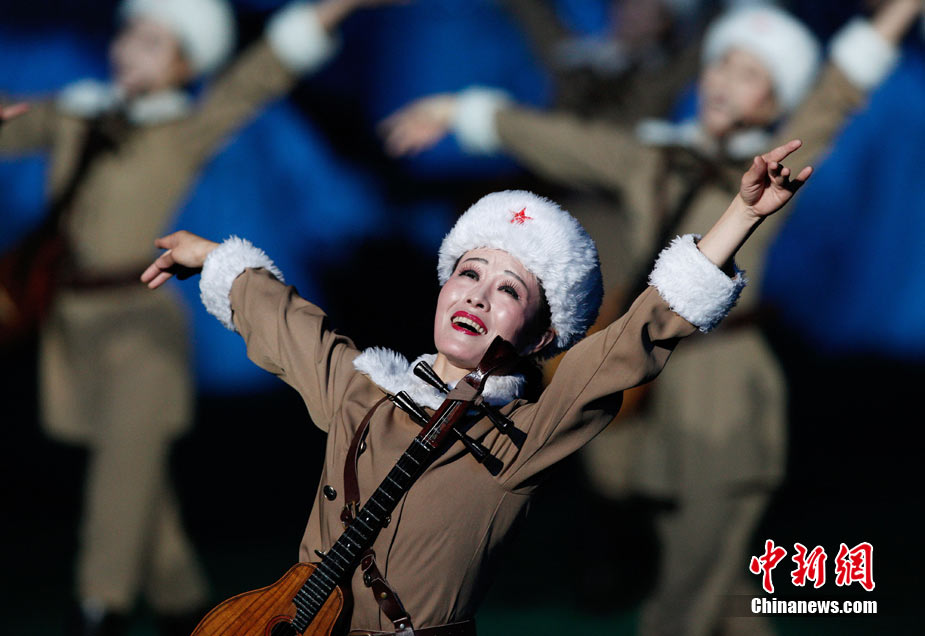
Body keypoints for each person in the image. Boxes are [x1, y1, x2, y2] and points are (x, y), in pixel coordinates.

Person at [378, 2, 922, 634]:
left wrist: (900, 11)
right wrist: (462, 112)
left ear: (777, 100)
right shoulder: (654, 159)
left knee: (685, 598)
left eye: (750, 73)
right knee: (717, 587)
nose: (724, 80)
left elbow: (838, 91)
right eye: (722, 62)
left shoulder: (770, 171)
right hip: (652, 385)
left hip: (723, 395)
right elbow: (569, 143)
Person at [141, 138, 810, 635]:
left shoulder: (521, 440)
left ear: (542, 335)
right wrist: (216, 261)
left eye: (509, 289)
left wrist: (738, 222)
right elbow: (288, 326)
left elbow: (634, 339)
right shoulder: (363, 395)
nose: (479, 296)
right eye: (469, 273)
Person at [0, 1, 400, 634]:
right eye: (132, 33)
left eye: (155, 42)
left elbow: (259, 75)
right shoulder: (76, 111)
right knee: (134, 470)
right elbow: (12, 129)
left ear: (186, 63)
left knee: (119, 470)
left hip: (141, 326)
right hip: (72, 324)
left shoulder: (186, 126)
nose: (133, 49)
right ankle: (182, 599)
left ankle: (99, 605)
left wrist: (337, 7)